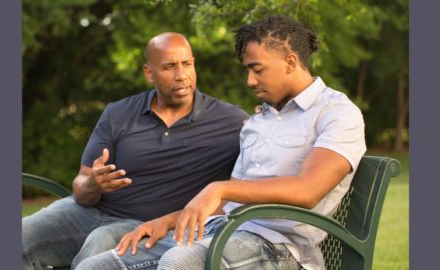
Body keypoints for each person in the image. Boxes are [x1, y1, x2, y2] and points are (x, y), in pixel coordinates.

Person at [22, 32, 249, 270]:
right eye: (169, 67)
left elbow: (255, 173)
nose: (181, 75)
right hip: (86, 213)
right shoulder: (118, 113)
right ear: (149, 73)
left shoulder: (230, 121)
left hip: (146, 225)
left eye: (187, 64)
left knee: (100, 245)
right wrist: (93, 184)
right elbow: (81, 186)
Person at [157, 16, 367, 270]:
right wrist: (166, 221)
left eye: (257, 69)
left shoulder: (336, 112)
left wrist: (218, 188)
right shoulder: (259, 121)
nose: (250, 81)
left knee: (179, 262)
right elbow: (228, 204)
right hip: (225, 231)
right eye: (248, 70)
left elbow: (308, 190)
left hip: (281, 250)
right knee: (107, 261)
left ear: (290, 62)